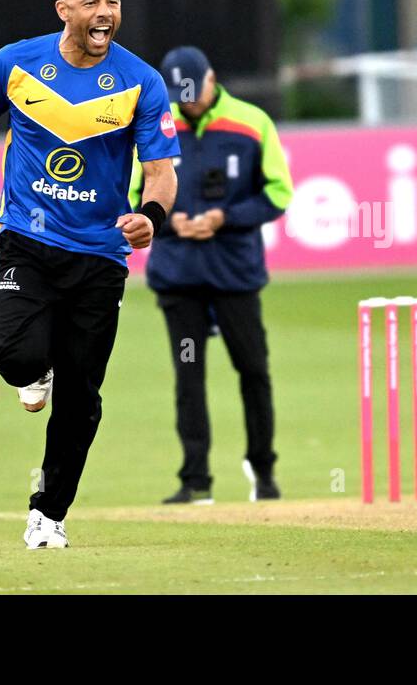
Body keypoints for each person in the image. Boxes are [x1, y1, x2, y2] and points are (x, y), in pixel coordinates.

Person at [0, 0, 179, 549]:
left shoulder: (143, 82)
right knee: (11, 352)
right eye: (91, 4)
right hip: (26, 243)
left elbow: (160, 172)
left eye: (113, 3)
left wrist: (150, 219)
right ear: (63, 10)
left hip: (101, 257)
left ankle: (47, 515)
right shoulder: (16, 62)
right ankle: (35, 370)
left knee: (80, 401)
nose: (105, 13)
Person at [133, 46, 294, 504]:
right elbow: (130, 193)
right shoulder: (155, 125)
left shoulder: (251, 122)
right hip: (178, 273)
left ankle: (263, 473)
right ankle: (195, 480)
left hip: (234, 272)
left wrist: (225, 217)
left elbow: (279, 193)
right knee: (189, 376)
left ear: (212, 78)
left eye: (194, 91)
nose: (189, 103)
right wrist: (165, 219)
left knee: (253, 370)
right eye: (179, 95)